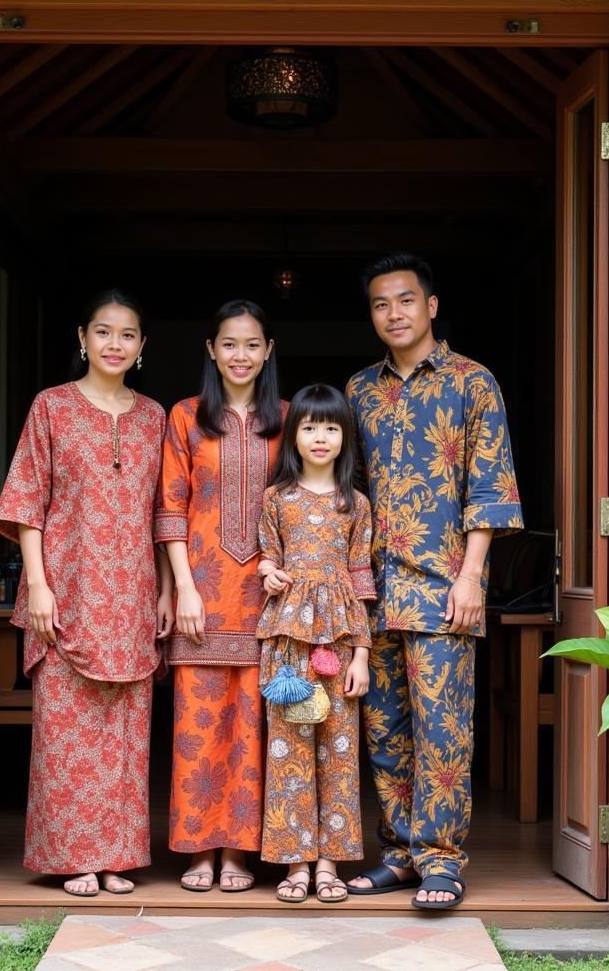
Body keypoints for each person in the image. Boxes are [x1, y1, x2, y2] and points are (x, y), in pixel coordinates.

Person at [345, 253, 523, 910]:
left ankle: (442, 860)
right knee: (384, 729)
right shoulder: (359, 389)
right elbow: (351, 490)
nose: (393, 313)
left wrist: (473, 574)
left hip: (445, 584)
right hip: (375, 589)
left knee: (443, 732)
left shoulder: (473, 382)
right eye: (380, 304)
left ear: (432, 306)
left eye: (405, 300)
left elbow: (490, 481)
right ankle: (398, 854)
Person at [0, 289, 173, 898]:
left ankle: (118, 856)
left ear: (142, 346)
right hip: (65, 594)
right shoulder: (52, 408)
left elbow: (165, 515)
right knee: (67, 733)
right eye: (103, 332)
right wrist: (36, 583)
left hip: (133, 597)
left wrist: (168, 589)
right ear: (82, 338)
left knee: (126, 734)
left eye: (127, 335)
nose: (114, 345)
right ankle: (74, 858)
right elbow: (26, 503)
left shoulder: (155, 418)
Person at [155, 300, 285, 893]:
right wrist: (181, 585)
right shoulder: (186, 417)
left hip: (266, 595)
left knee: (252, 725)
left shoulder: (288, 418)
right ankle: (199, 850)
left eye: (252, 344)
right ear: (211, 349)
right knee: (198, 723)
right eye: (229, 344)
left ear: (268, 350)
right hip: (199, 595)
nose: (241, 355)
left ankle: (238, 853)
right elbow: (170, 506)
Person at [256, 383, 375, 904]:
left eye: (330, 427)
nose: (320, 437)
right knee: (289, 750)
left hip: (341, 643)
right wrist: (267, 572)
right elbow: (267, 559)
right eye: (309, 427)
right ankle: (296, 863)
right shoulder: (277, 500)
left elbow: (363, 578)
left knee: (339, 753)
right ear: (294, 436)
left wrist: (364, 656)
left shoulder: (357, 504)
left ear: (344, 436)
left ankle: (330, 863)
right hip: (288, 644)